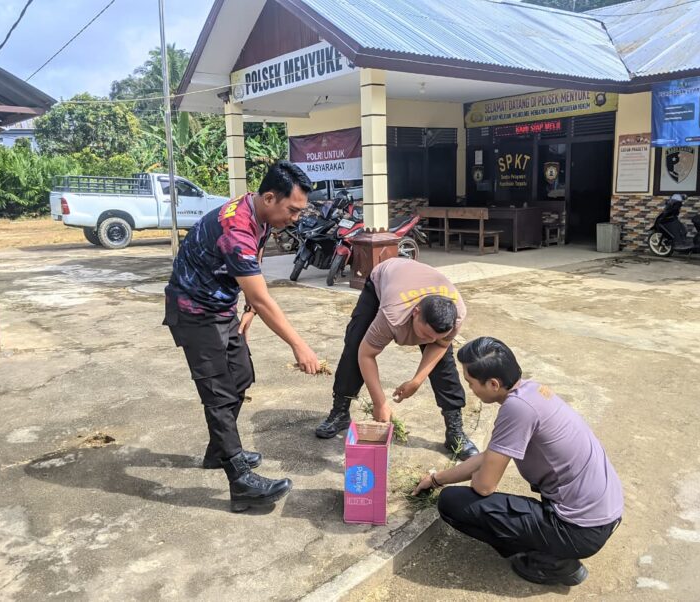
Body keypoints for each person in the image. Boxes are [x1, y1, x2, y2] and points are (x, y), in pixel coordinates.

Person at [164, 161, 320, 513]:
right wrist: (300, 346)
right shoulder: (235, 227)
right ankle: (240, 481)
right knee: (217, 391)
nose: (296, 217)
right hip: (193, 312)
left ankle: (220, 450)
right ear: (269, 197)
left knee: (241, 375)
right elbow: (265, 298)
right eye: (292, 209)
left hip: (221, 309)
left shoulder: (261, 216)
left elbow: (255, 266)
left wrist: (247, 309)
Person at [412, 337, 623, 586]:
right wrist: (436, 479)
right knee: (454, 491)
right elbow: (489, 456)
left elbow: (484, 486)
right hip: (604, 513)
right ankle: (554, 548)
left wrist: (470, 478)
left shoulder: (517, 409)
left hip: (580, 530)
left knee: (452, 503)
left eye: (470, 383)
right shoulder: (532, 391)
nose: (470, 389)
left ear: (493, 384)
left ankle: (555, 563)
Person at [316, 257, 479, 460]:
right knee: (355, 345)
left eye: (435, 337)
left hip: (419, 282)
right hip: (384, 279)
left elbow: (439, 345)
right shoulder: (393, 314)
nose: (428, 340)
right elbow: (367, 354)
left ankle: (455, 432)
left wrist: (416, 381)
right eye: (425, 334)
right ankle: (340, 412)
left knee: (444, 365)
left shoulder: (457, 315)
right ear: (416, 313)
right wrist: (380, 403)